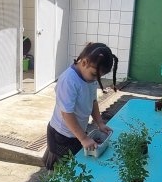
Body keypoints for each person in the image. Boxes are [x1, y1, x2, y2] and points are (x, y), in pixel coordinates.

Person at [42, 42, 117, 170]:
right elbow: (67, 113)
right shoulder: (69, 80)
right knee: (60, 170)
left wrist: (100, 123)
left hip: (77, 132)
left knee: (74, 165)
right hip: (62, 135)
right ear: (84, 62)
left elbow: (93, 101)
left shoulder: (90, 79)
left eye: (99, 77)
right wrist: (83, 138)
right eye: (94, 74)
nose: (96, 79)